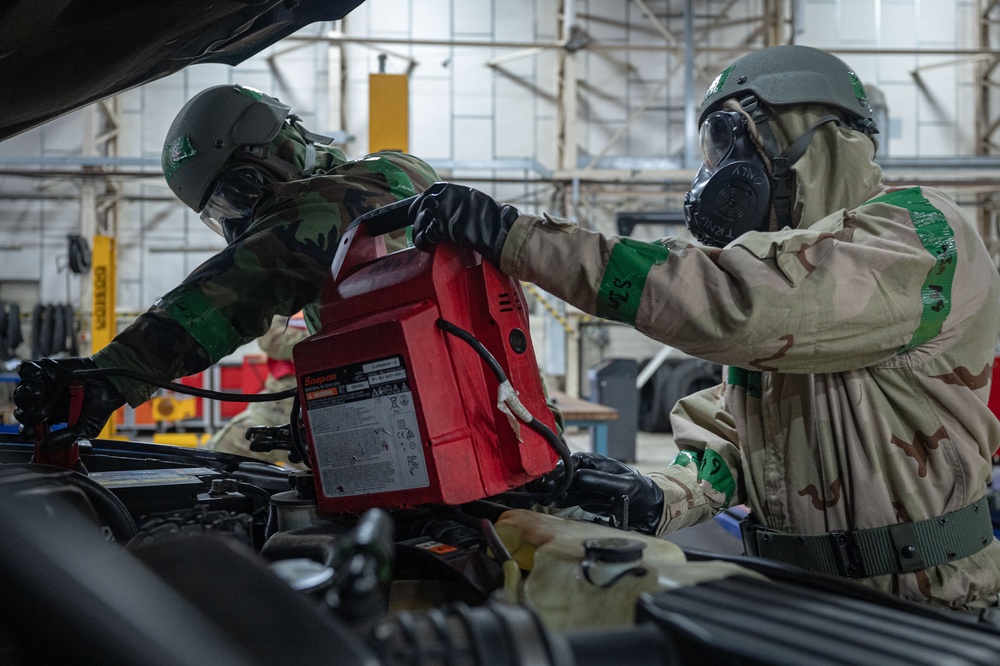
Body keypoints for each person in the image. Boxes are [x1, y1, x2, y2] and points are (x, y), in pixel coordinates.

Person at [400, 45, 1000, 611]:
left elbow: (738, 305)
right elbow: (737, 436)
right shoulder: (786, 273)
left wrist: (520, 239)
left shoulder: (917, 234)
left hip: (925, 604)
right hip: (797, 597)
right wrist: (658, 494)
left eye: (730, 140)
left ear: (802, 135)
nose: (719, 171)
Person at [13, 84, 439, 465]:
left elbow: (252, 273)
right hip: (414, 426)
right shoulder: (327, 223)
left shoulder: (373, 181)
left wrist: (112, 372)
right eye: (222, 212)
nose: (240, 220)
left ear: (273, 149)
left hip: (453, 418)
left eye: (238, 195)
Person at [200, 314, 309, 466]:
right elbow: (272, 339)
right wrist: (320, 339)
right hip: (277, 404)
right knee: (219, 456)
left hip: (324, 405)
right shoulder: (293, 305)